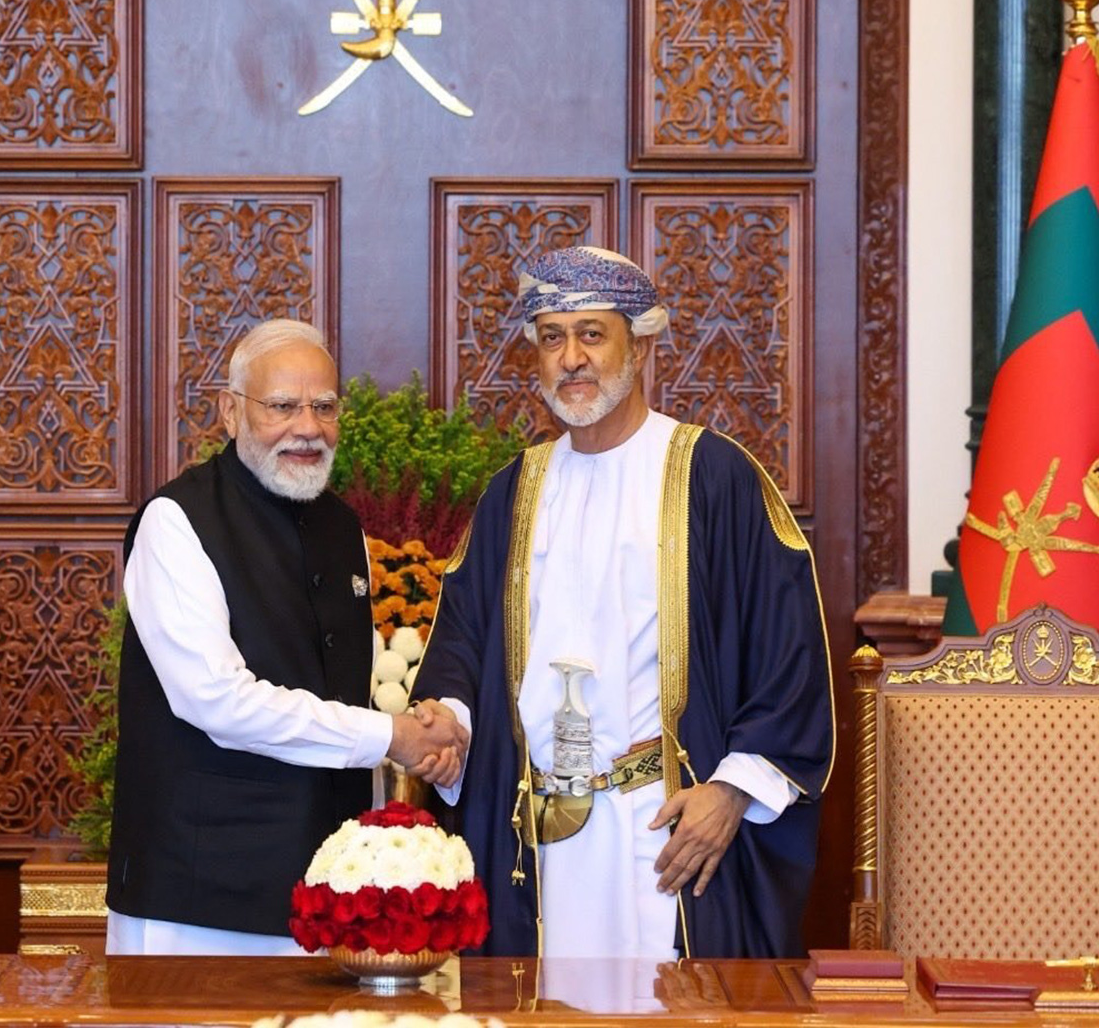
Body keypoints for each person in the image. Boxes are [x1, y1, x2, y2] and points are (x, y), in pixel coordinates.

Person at [411, 246, 834, 960]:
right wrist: (447, 720)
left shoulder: (713, 477)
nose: (571, 357)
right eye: (552, 337)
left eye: (592, 334)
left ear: (639, 346)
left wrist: (730, 792)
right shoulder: (514, 491)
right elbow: (462, 640)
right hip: (533, 834)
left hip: (663, 828)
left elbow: (789, 657)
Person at [105, 319, 464, 956]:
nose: (307, 427)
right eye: (282, 406)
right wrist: (395, 736)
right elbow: (215, 700)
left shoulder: (342, 527)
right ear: (230, 411)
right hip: (200, 901)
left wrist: (425, 740)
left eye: (324, 407)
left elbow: (336, 694)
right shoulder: (176, 521)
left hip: (328, 893)